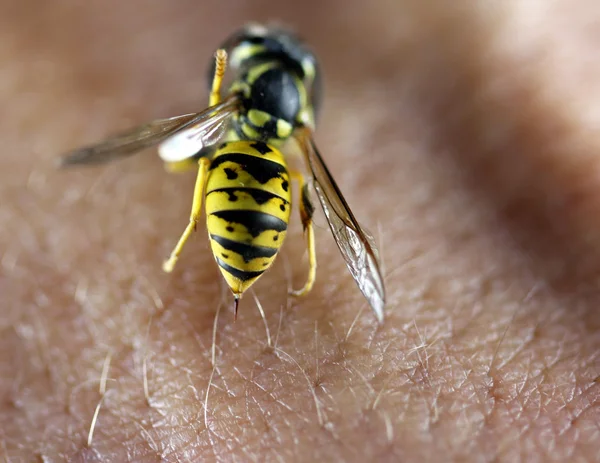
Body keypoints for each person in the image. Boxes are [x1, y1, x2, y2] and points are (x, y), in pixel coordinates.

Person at [2, 1, 598, 461]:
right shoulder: (302, 136)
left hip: (230, 171)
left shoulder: (229, 106)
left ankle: (200, 234)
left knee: (210, 162)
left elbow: (181, 151)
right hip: (266, 182)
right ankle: (305, 259)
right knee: (302, 186)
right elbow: (317, 193)